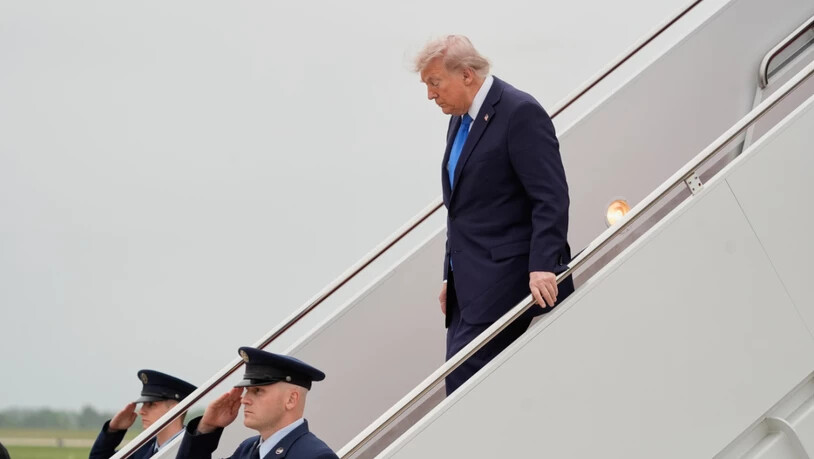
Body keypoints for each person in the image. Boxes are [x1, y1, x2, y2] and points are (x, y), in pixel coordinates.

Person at [414, 35, 575, 394]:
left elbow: (551, 195)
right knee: (464, 388)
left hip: (507, 279)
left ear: (467, 75)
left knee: (463, 386)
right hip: (467, 288)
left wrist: (544, 265)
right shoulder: (459, 121)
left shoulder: (519, 112)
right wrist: (449, 275)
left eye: (435, 83)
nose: (430, 95)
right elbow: (461, 209)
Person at [176, 347, 337, 459]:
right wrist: (206, 427)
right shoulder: (248, 449)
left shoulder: (315, 456)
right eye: (247, 390)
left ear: (291, 400)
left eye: (258, 391)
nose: (245, 399)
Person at [89, 370, 197, 459]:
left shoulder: (194, 449)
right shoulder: (142, 449)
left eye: (151, 404)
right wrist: (113, 430)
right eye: (143, 404)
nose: (141, 411)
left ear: (175, 409)